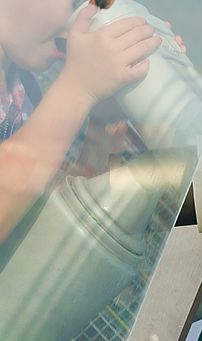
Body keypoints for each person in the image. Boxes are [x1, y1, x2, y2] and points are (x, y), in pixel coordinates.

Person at [0, 0, 162, 242]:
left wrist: (107, 113)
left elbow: (41, 235)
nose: (84, 20)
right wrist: (77, 88)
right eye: (76, 2)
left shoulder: (23, 93)